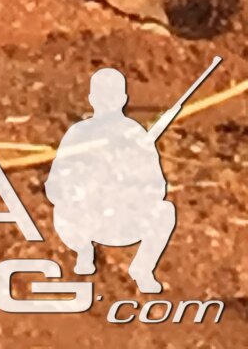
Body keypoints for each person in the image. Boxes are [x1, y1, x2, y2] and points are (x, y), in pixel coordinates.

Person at [46, 66, 180, 291]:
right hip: (87, 218)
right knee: (63, 209)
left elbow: (157, 186)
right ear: (92, 99)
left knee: (165, 211)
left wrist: (128, 179)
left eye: (113, 96)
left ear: (123, 99)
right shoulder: (79, 134)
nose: (107, 102)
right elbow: (55, 184)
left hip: (124, 217)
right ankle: (84, 252)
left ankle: (143, 269)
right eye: (102, 96)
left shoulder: (135, 135)